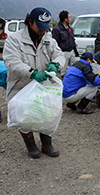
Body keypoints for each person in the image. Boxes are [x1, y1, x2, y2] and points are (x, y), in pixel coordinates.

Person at [3, 7, 65, 158]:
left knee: (46, 113)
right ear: (30, 22)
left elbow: (60, 54)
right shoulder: (14, 39)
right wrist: (32, 73)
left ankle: (46, 144)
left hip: (44, 86)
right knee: (23, 116)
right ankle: (30, 145)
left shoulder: (48, 39)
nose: (43, 31)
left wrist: (56, 64)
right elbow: (12, 62)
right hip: (21, 86)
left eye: (45, 27)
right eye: (40, 27)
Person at [52, 10, 79, 78]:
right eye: (69, 17)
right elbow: (54, 43)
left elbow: (72, 39)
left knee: (74, 68)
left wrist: (75, 50)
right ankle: (62, 84)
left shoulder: (70, 28)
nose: (70, 19)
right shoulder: (57, 29)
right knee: (62, 71)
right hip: (63, 53)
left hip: (71, 52)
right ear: (65, 19)